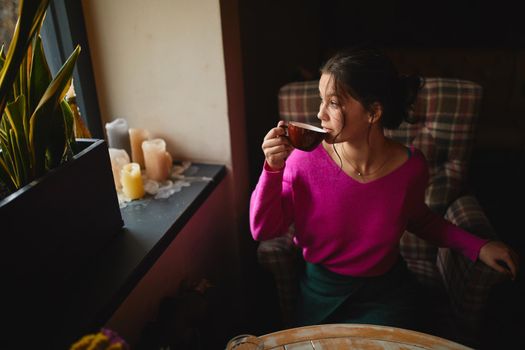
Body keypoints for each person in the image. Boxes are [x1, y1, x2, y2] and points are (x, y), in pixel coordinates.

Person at [249, 46, 519, 331]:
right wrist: (272, 168)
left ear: (373, 112)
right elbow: (263, 231)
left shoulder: (411, 166)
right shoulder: (302, 162)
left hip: (386, 293)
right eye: (321, 100)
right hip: (321, 292)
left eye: (334, 103)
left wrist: (479, 245)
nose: (320, 114)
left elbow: (421, 221)